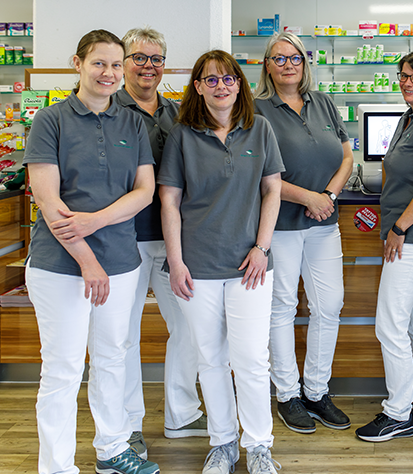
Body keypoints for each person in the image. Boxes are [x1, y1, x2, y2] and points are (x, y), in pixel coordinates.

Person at [24, 29, 159, 474]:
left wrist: (96, 221)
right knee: (62, 368)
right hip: (61, 266)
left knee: (112, 359)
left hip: (120, 262)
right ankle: (57, 467)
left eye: (116, 64)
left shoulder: (132, 123)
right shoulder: (51, 120)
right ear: (77, 63)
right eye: (99, 63)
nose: (109, 73)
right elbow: (49, 201)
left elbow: (144, 191)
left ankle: (112, 450)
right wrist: (88, 261)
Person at [158, 50, 283, 474]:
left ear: (240, 84)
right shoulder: (182, 135)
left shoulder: (259, 128)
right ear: (198, 87)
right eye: (211, 80)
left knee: (251, 359)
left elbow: (272, 190)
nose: (221, 86)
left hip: (250, 265)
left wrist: (262, 247)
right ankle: (223, 443)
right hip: (197, 266)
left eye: (229, 78)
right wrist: (176, 261)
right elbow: (170, 201)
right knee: (210, 359)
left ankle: (259, 445)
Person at [254, 32, 353, 434]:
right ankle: (287, 394)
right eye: (279, 58)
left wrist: (328, 196)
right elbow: (258, 171)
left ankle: (316, 390)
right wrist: (308, 197)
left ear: (304, 63)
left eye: (295, 58)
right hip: (280, 224)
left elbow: (346, 156)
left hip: (324, 223)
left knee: (329, 305)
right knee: (281, 307)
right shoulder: (256, 109)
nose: (288, 65)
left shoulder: (323, 102)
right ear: (267, 65)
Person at [116, 26, 207, 459]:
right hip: (124, 240)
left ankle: (182, 413)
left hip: (174, 242)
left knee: (189, 325)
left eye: (156, 59)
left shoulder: (178, 112)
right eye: (139, 57)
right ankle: (127, 425)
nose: (148, 66)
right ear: (123, 63)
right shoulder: (108, 109)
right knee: (123, 335)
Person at [355, 50, 413, 442]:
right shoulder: (409, 118)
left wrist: (399, 227)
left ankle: (398, 413)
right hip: (408, 232)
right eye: (404, 75)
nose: (408, 82)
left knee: (389, 323)